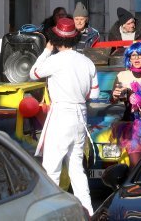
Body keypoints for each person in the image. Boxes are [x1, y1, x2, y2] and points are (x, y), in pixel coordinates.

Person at [28, 18, 99, 215]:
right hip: (80, 116)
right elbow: (93, 94)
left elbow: (33, 73)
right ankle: (88, 213)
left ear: (55, 38)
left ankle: (52, 213)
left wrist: (47, 50)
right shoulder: (87, 62)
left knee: (52, 169)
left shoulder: (54, 61)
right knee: (77, 169)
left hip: (62, 114)